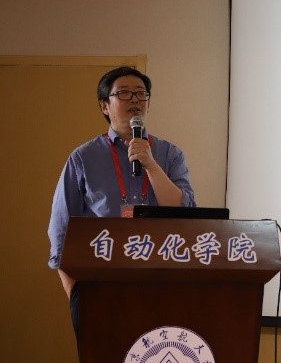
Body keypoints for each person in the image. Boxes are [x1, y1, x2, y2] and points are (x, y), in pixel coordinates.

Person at [47, 66, 196, 337]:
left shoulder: (169, 155)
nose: (135, 99)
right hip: (99, 287)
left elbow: (184, 213)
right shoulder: (83, 158)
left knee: (157, 361)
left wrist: (150, 164)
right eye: (124, 93)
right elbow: (61, 231)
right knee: (102, 362)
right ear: (105, 105)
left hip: (162, 284)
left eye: (141, 93)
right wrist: (74, 292)